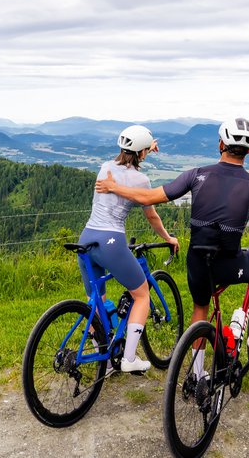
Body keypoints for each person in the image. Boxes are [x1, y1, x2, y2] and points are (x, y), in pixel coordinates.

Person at [95, 117, 249, 370]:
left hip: (197, 263)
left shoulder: (196, 174)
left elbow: (149, 196)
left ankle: (197, 373)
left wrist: (114, 186)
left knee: (200, 307)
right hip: (229, 264)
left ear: (221, 144)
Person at [77, 124, 179, 373]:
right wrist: (168, 237)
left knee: (96, 302)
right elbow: (152, 216)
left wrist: (146, 147)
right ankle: (129, 359)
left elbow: (129, 161)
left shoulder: (105, 167)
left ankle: (104, 356)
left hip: (86, 238)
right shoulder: (142, 180)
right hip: (111, 242)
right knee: (142, 295)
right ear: (141, 152)